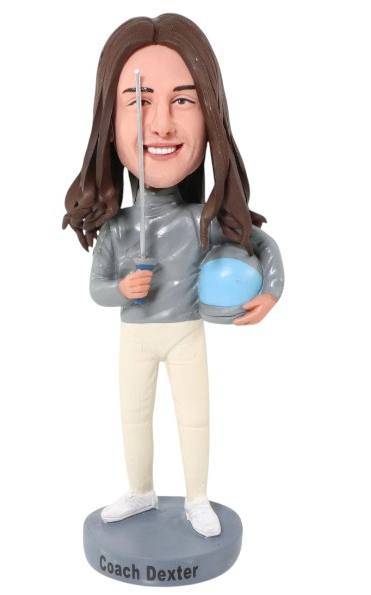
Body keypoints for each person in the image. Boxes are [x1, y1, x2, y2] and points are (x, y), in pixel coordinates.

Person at [63, 14, 284, 537]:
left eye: (183, 100)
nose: (160, 124)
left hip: (186, 333)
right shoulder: (117, 229)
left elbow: (262, 243)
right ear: (108, 123)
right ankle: (140, 490)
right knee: (134, 417)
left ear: (210, 119)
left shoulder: (198, 221)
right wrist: (120, 289)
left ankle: (197, 498)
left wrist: (272, 290)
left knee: (194, 417)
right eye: (139, 101)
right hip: (135, 337)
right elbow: (95, 288)